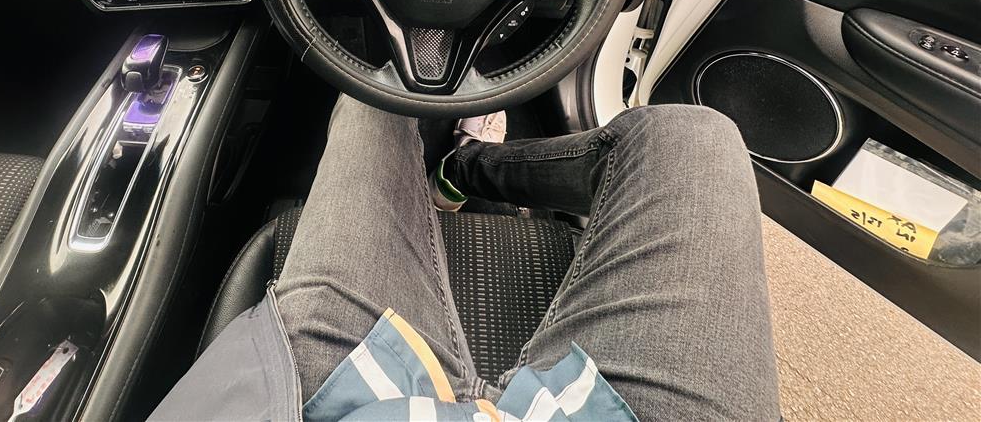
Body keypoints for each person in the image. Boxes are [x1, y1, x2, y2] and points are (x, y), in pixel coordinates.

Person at [150, 96, 780, 421]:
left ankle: (453, 166)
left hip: (322, 402)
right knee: (691, 136)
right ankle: (464, 166)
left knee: (376, 96)